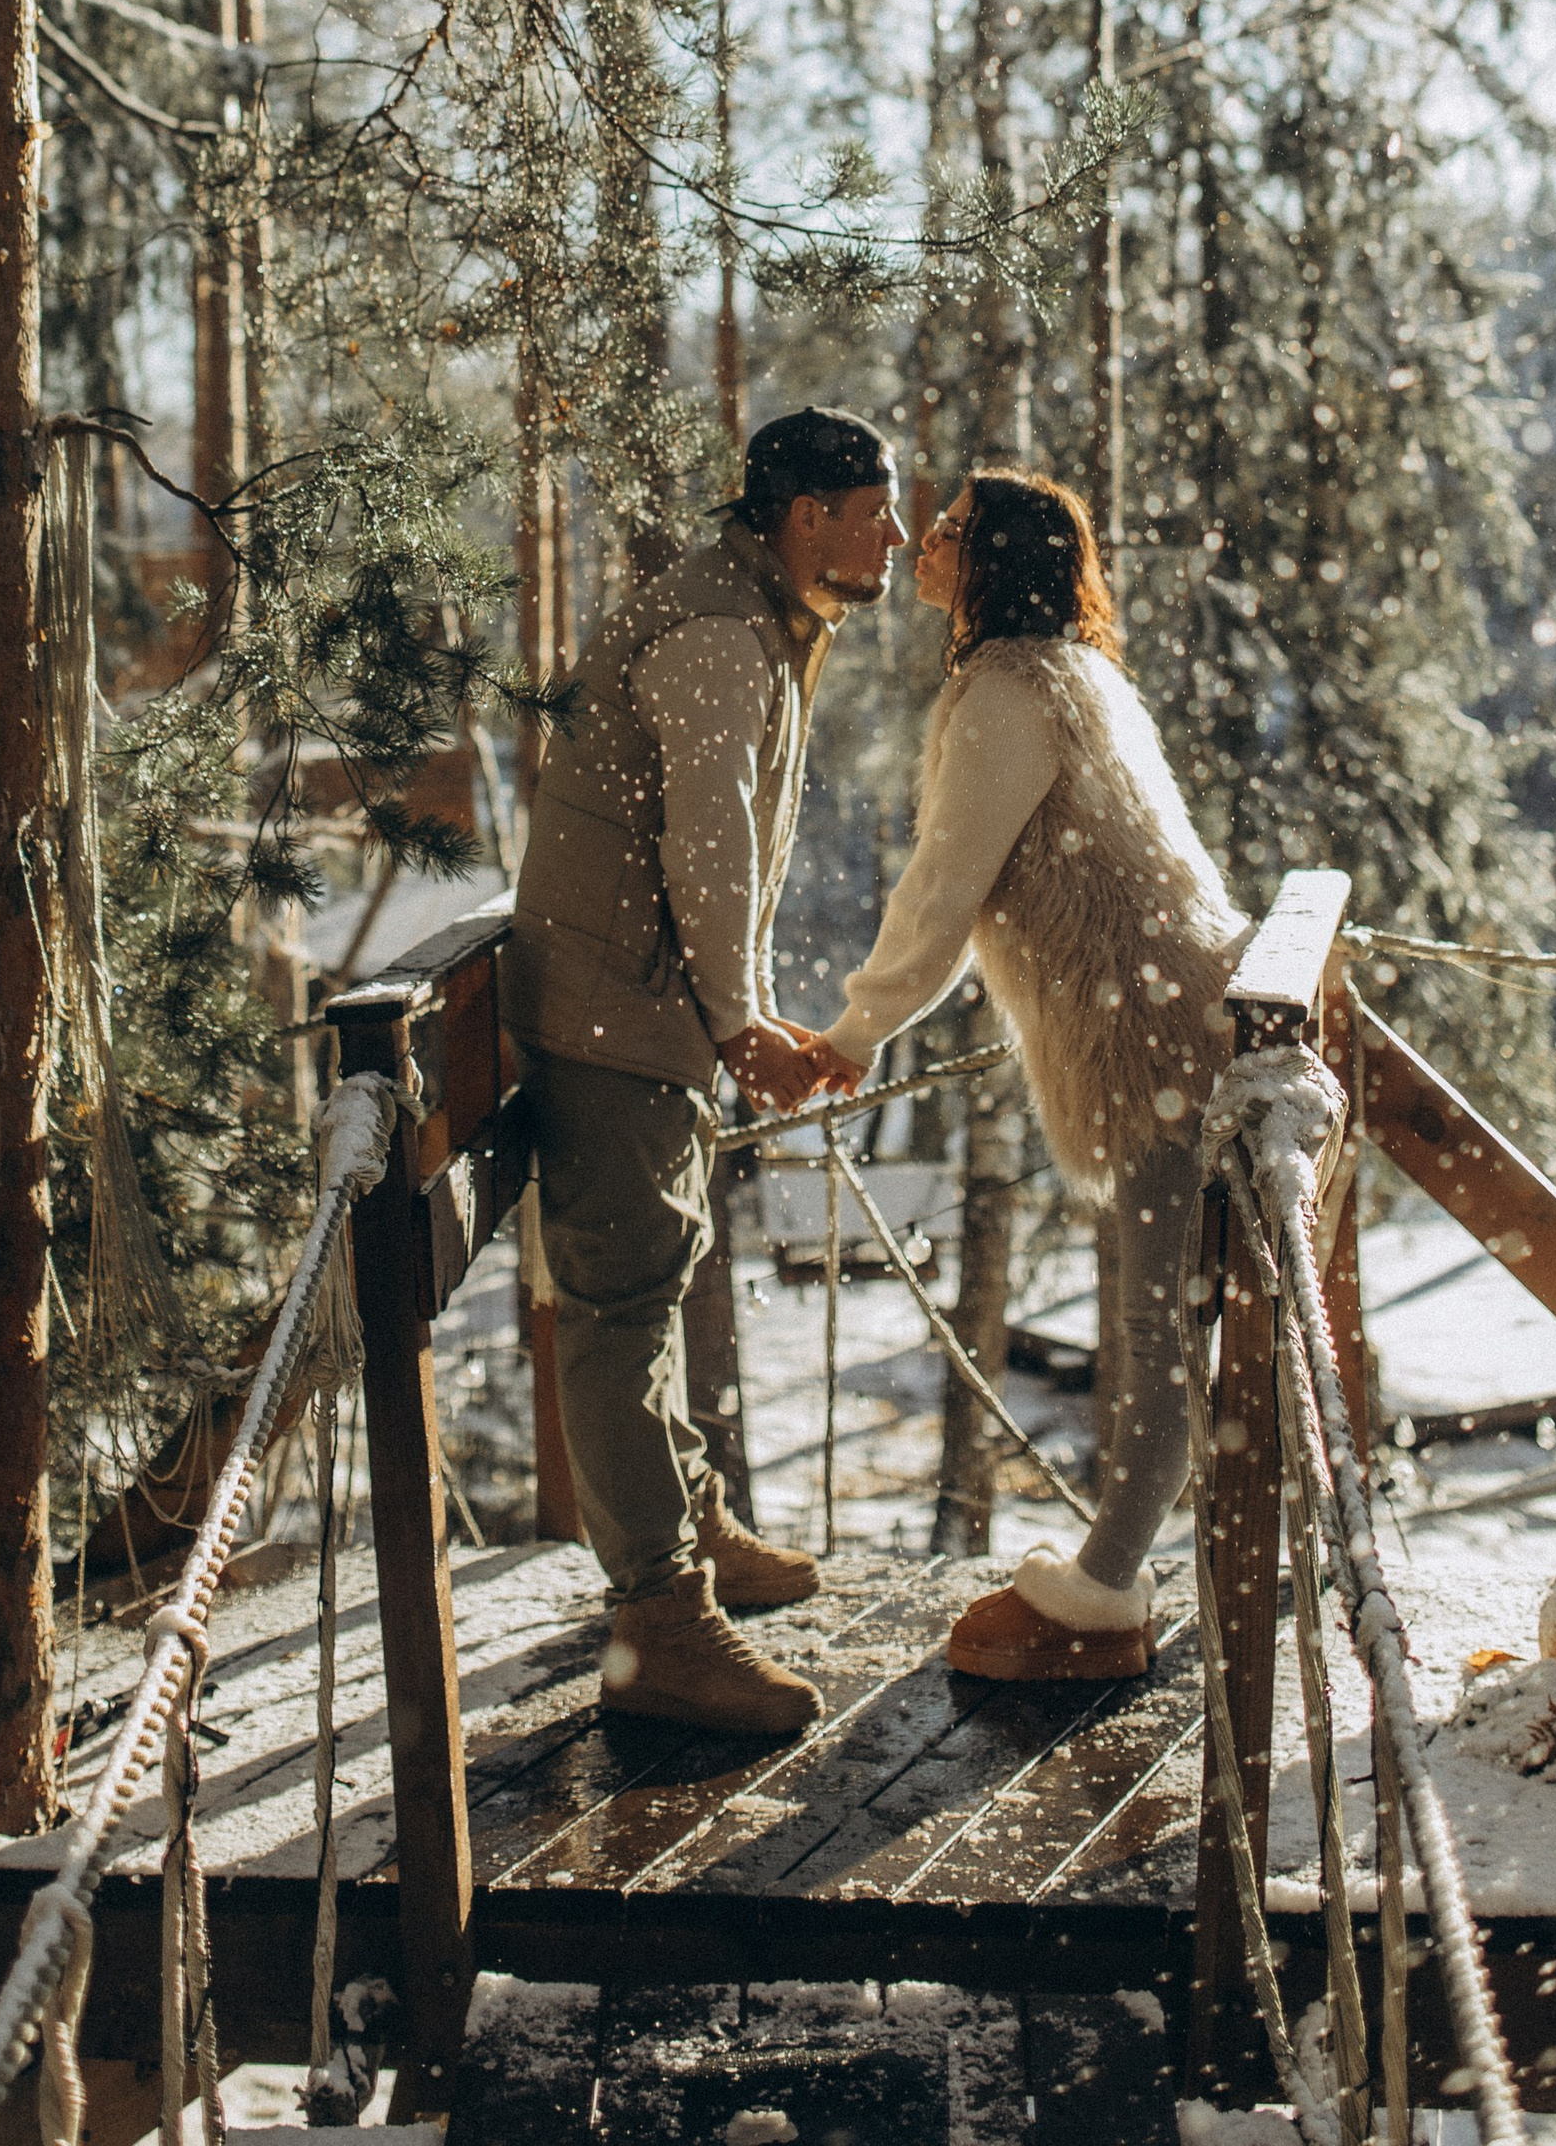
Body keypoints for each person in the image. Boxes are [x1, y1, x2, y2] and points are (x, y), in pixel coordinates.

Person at [503, 408, 906, 1733]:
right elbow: (709, 842)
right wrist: (743, 1024)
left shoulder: (742, 613)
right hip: (613, 1014)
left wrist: (737, 1015)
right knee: (623, 1299)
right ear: (804, 518)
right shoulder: (721, 634)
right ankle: (661, 1618)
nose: (896, 538)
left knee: (653, 1273)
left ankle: (685, 1523)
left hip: (629, 1003)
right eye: (874, 513)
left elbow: (715, 846)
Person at [814, 463, 1245, 1668]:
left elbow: (942, 893)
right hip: (1188, 1015)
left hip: (1152, 1035)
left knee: (1159, 1335)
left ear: (993, 564)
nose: (924, 543)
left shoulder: (1008, 699)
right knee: (1172, 1325)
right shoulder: (1072, 678)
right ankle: (1140, 1579)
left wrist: (850, 1035)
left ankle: (1102, 1596)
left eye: (951, 531)